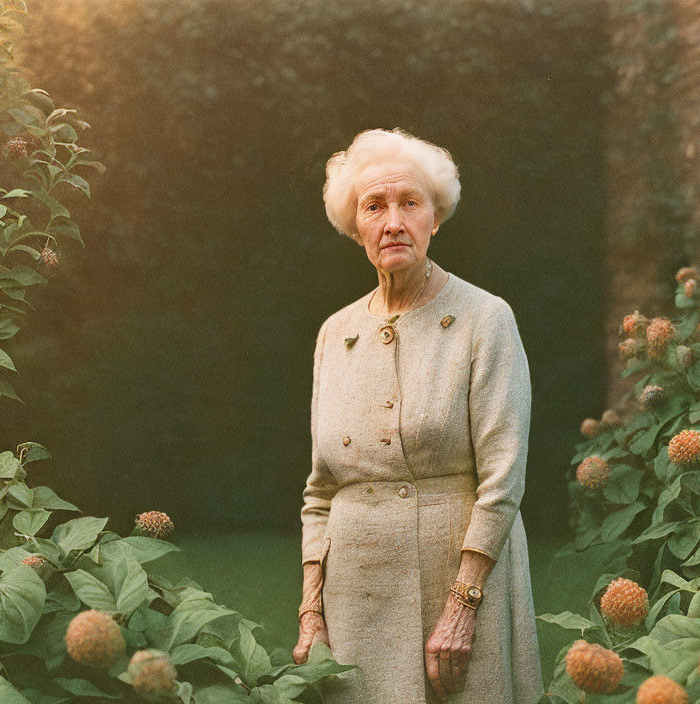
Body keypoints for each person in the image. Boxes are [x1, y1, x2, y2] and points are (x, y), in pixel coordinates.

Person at [291, 128, 543, 704]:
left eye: (410, 203)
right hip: (355, 599)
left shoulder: (485, 319)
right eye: (374, 207)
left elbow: (503, 479)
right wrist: (311, 609)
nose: (393, 222)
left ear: (436, 216)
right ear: (356, 227)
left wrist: (464, 603)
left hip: (458, 587)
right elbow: (319, 492)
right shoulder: (335, 332)